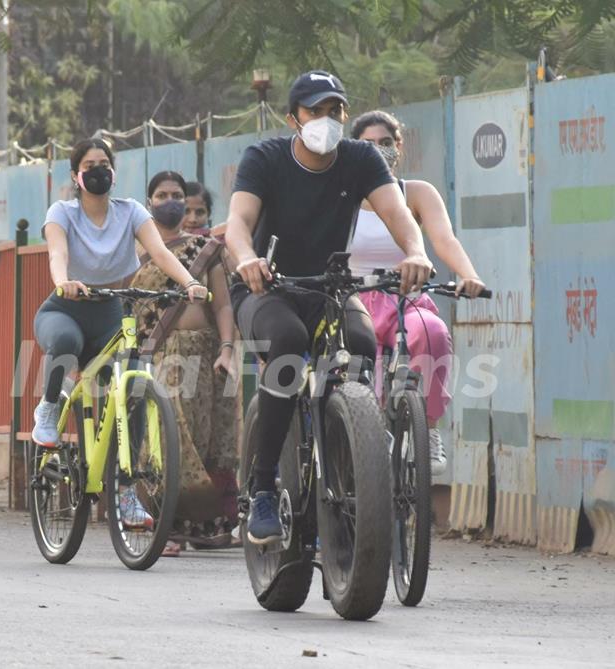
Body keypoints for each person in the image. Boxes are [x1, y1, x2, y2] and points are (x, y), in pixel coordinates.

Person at [225, 70, 433, 544]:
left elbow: (398, 213)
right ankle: (261, 489)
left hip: (329, 287)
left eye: (335, 110)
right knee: (288, 344)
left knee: (361, 341)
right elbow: (238, 221)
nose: (327, 120)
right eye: (314, 111)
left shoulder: (359, 158)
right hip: (265, 287)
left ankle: (347, 444)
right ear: (292, 119)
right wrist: (247, 259)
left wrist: (416, 253)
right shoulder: (265, 158)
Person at [32, 139, 208, 528]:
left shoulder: (130, 212)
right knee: (66, 343)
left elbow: (161, 253)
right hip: (66, 308)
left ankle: (126, 489)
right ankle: (48, 409)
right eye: (90, 164)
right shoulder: (62, 212)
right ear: (77, 175)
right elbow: (57, 254)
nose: (99, 170)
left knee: (136, 379)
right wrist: (64, 282)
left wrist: (190, 282)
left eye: (105, 163)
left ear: (114, 170)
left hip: (113, 308)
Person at [348, 110, 485, 475]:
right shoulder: (340, 194)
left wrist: (468, 276)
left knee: (432, 332)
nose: (379, 150)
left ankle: (429, 431)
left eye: (386, 143)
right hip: (353, 302)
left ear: (400, 147)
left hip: (405, 298)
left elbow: (444, 240)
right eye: (367, 145)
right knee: (356, 370)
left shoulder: (418, 193)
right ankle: (368, 439)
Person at [131, 171, 240, 555]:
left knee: (213, 439)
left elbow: (222, 303)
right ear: (149, 203)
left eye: (177, 194)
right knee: (169, 435)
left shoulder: (206, 249)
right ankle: (169, 527)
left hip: (209, 351)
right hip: (165, 354)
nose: (171, 200)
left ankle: (212, 525)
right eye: (162, 194)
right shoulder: (136, 249)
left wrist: (227, 348)